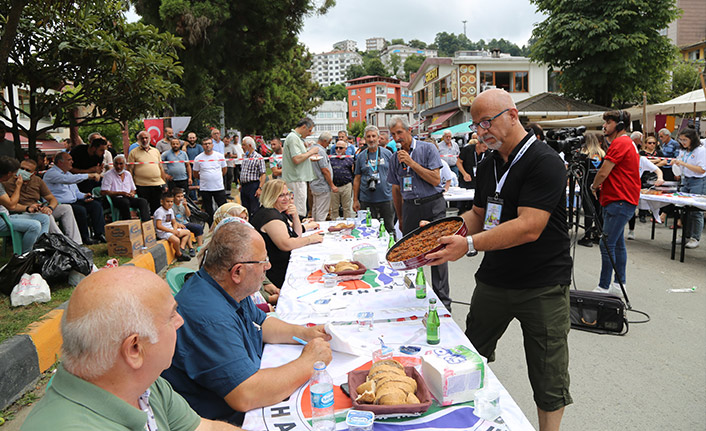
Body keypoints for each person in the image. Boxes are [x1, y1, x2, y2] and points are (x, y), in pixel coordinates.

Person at [426, 89, 572, 431]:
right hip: (495, 280)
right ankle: (467, 421)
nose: (481, 131)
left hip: (543, 284)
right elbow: (479, 214)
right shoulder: (489, 162)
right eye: (476, 125)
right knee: (469, 355)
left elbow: (528, 227)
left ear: (513, 115)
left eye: (487, 122)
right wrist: (443, 233)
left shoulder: (545, 161)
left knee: (548, 375)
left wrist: (470, 245)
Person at [21, 266, 244, 430]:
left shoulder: (145, 386)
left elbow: (206, 429)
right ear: (134, 349)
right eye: (171, 316)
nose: (180, 322)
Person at [162, 221, 332, 425]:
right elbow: (246, 393)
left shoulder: (227, 289)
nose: (268, 267)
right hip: (225, 419)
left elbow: (262, 324)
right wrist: (309, 362)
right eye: (263, 261)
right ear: (237, 272)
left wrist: (306, 333)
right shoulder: (210, 318)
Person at [386, 115, 451, 310]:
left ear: (409, 131)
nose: (397, 137)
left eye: (399, 133)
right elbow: (396, 189)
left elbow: (434, 179)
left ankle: (443, 303)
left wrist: (412, 163)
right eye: (393, 134)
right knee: (411, 253)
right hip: (410, 207)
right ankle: (414, 298)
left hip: (432, 204)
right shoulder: (394, 158)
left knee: (438, 252)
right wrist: (400, 216)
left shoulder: (427, 149)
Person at [591, 110, 640, 296]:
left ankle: (604, 287)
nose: (604, 126)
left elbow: (604, 171)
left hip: (619, 200)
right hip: (620, 200)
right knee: (617, 244)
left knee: (606, 244)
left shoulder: (620, 142)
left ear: (619, 125)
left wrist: (594, 186)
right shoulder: (627, 142)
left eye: (608, 122)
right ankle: (619, 285)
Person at [250, 180, 322, 287]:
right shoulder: (270, 217)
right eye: (281, 195)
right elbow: (286, 244)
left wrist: (295, 216)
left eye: (287, 194)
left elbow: (296, 236)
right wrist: (311, 239)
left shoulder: (277, 212)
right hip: (276, 273)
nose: (287, 198)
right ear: (271, 196)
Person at [2, 159, 82, 244]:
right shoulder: (7, 182)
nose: (23, 171)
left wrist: (50, 207)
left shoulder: (37, 181)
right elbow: (10, 205)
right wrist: (19, 186)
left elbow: (52, 199)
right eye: (22, 168)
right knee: (46, 216)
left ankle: (76, 242)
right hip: (23, 212)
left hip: (38, 208)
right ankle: (61, 243)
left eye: (28, 170)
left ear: (33, 173)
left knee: (66, 208)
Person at [44, 152, 105, 244]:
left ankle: (100, 234)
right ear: (60, 162)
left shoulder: (68, 173)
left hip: (74, 201)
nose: (72, 162)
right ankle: (84, 238)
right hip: (60, 204)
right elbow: (68, 180)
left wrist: (84, 196)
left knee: (95, 205)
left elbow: (76, 192)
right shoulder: (51, 174)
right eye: (69, 160)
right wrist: (89, 175)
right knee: (80, 210)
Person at [0, 156, 50, 253]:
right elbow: (11, 205)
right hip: (2, 220)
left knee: (43, 218)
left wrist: (27, 208)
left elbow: (7, 204)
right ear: (9, 173)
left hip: (5, 216)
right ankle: (26, 256)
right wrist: (18, 186)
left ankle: (41, 250)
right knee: (34, 226)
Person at [353, 126, 394, 232]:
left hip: (386, 198)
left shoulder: (387, 154)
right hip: (367, 199)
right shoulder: (361, 156)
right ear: (365, 139)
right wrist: (355, 200)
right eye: (368, 137)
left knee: (389, 228)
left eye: (373, 136)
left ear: (378, 138)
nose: (371, 139)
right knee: (368, 229)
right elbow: (357, 178)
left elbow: (395, 175)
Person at [670, 128, 706, 248]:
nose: (683, 142)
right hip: (686, 180)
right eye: (681, 139)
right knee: (683, 209)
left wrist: (684, 164)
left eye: (685, 140)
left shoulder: (700, 150)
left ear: (692, 139)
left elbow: (702, 170)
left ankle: (695, 237)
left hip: (698, 181)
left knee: (696, 211)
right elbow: (681, 162)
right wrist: (676, 163)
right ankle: (685, 235)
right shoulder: (683, 150)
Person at [281, 117, 318, 217]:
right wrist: (311, 152)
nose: (310, 134)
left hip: (296, 178)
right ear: (304, 127)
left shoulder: (295, 138)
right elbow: (296, 159)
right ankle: (299, 229)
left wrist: (307, 154)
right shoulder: (293, 138)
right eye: (309, 130)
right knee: (298, 209)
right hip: (296, 179)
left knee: (297, 207)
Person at [100, 155, 151, 222]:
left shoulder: (128, 174)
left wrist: (132, 193)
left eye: (121, 164)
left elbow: (133, 189)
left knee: (143, 201)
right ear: (113, 164)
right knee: (124, 202)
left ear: (125, 165)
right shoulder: (108, 174)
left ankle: (145, 223)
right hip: (116, 198)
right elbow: (103, 191)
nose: (118, 166)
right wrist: (121, 193)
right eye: (116, 163)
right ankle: (127, 223)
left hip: (128, 197)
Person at [577, 131, 606, 247]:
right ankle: (599, 235)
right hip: (599, 185)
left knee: (588, 211)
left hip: (587, 185)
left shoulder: (584, 154)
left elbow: (579, 171)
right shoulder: (602, 154)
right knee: (599, 210)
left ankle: (587, 236)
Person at [128, 131, 168, 215]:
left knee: (157, 208)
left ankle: (157, 226)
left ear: (149, 139)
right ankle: (147, 226)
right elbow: (130, 170)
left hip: (157, 184)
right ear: (139, 139)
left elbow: (160, 167)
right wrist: (131, 187)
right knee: (144, 208)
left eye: (146, 138)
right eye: (142, 138)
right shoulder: (133, 152)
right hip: (141, 185)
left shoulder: (156, 151)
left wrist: (164, 183)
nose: (144, 140)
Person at [193, 138, 227, 226]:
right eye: (205, 144)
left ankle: (224, 224)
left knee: (222, 207)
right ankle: (211, 226)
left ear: (212, 145)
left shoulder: (219, 156)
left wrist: (216, 177)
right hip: (205, 188)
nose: (207, 145)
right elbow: (195, 173)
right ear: (202, 146)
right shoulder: (198, 158)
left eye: (209, 143)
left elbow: (224, 170)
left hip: (218, 187)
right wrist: (205, 178)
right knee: (208, 209)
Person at [154, 192, 192, 262]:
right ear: (162, 202)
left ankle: (181, 248)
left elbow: (174, 222)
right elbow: (158, 226)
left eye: (171, 201)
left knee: (187, 232)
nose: (170, 203)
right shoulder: (160, 211)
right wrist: (172, 231)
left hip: (171, 230)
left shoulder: (170, 210)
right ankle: (179, 254)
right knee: (176, 240)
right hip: (163, 232)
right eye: (167, 201)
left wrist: (175, 230)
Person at [309, 132, 337, 222]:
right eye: (328, 142)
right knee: (322, 211)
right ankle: (320, 230)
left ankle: (315, 228)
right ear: (324, 141)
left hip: (314, 184)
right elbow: (325, 170)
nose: (328, 145)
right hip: (322, 185)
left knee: (315, 209)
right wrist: (332, 185)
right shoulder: (320, 151)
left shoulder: (311, 149)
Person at [238, 137, 267, 217]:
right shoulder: (245, 157)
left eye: (243, 145)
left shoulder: (258, 157)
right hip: (244, 186)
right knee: (245, 208)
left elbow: (263, 174)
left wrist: (260, 188)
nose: (242, 147)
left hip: (253, 186)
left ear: (249, 145)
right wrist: (241, 184)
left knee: (254, 209)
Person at [329, 140, 355, 219]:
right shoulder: (330, 159)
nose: (338, 150)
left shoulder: (350, 159)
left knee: (346, 208)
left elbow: (353, 171)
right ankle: (334, 225)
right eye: (336, 148)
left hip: (346, 185)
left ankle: (347, 225)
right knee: (334, 209)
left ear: (345, 149)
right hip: (334, 186)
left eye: (341, 148)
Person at [172, 187, 203, 255]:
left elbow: (188, 215)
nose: (180, 198)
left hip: (185, 222)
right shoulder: (172, 206)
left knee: (199, 227)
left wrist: (186, 206)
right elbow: (172, 220)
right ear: (173, 197)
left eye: (182, 196)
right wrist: (178, 224)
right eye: (178, 196)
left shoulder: (183, 204)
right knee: (186, 231)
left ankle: (200, 246)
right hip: (177, 224)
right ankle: (190, 248)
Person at [184, 132, 203, 200]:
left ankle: (201, 196)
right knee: (190, 183)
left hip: (198, 167)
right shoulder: (185, 147)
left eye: (193, 138)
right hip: (189, 167)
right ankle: (193, 198)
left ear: (196, 138)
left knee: (199, 182)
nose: (192, 139)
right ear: (187, 138)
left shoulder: (199, 147)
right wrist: (184, 145)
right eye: (190, 138)